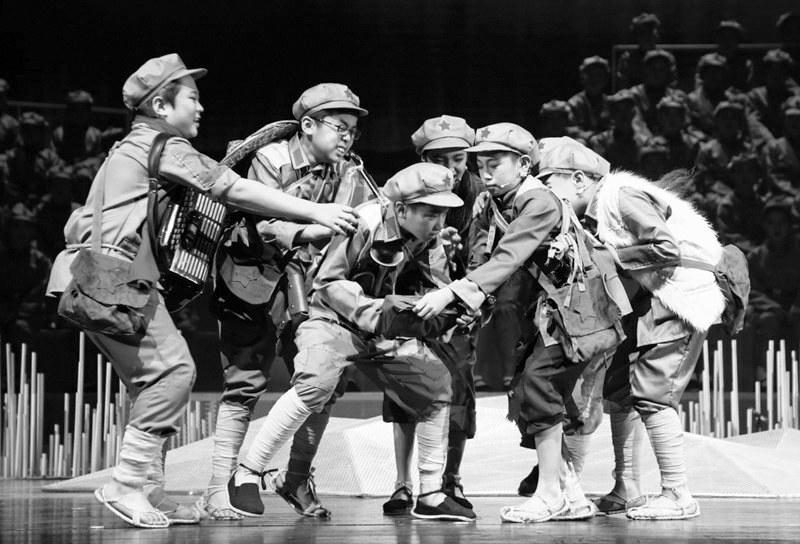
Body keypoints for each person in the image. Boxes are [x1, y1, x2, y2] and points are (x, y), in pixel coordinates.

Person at [45, 53, 359, 530]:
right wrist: (314, 212)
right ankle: (126, 483)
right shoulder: (160, 143)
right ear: (160, 105)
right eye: (191, 98)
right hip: (111, 275)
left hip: (100, 275)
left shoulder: (137, 147)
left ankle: (149, 490)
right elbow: (230, 187)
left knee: (151, 382)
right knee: (174, 371)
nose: (200, 107)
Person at [227, 163, 477, 522]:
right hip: (332, 318)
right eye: (430, 214)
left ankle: (430, 493)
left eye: (442, 214)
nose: (438, 224)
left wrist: (453, 310)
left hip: (382, 326)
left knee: (435, 383)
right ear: (401, 209)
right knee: (316, 384)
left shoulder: (430, 239)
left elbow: (436, 286)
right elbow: (328, 282)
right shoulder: (363, 222)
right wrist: (376, 312)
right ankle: (248, 472)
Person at [413, 133, 612, 523]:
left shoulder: (539, 202)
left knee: (539, 385)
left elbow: (508, 256)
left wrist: (452, 293)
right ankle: (571, 495)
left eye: (495, 164)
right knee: (530, 391)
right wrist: (470, 304)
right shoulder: (494, 202)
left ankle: (550, 494)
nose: (485, 174)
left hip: (576, 313)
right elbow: (482, 257)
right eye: (480, 166)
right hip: (541, 314)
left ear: (523, 165)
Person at [204, 82, 371, 521]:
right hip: (252, 280)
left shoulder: (349, 171)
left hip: (310, 287)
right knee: (244, 383)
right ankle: (219, 488)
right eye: (339, 126)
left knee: (323, 380)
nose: (348, 136)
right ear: (308, 125)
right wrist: (309, 229)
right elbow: (259, 223)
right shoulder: (271, 159)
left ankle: (295, 477)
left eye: (353, 129)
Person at [568, 144, 725, 520]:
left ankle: (678, 493)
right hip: (647, 297)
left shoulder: (618, 195)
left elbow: (664, 248)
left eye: (550, 182)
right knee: (620, 388)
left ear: (578, 179)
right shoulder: (602, 205)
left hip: (676, 296)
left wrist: (611, 257)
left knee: (654, 392)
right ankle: (628, 486)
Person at [381, 115, 482, 516]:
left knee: (458, 397)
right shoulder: (404, 192)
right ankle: (403, 484)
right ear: (423, 159)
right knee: (405, 396)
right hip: (410, 308)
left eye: (459, 159)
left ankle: (449, 480)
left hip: (459, 311)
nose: (451, 168)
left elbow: (488, 260)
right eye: (440, 159)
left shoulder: (480, 197)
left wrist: (469, 296)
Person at [629, 49, 687, 139]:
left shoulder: (678, 96)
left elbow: (686, 124)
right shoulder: (634, 95)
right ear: (645, 70)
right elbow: (635, 124)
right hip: (643, 142)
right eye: (652, 69)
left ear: (668, 72)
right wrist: (651, 142)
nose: (656, 73)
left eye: (661, 69)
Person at [748, 49, 800, 141]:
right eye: (772, 71)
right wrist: (771, 141)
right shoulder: (756, 96)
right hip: (766, 144)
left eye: (780, 71)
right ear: (766, 73)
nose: (776, 76)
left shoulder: (796, 95)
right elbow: (754, 122)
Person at [589, 89, 645, 173]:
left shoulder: (643, 141)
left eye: (627, 109)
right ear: (612, 114)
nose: (623, 115)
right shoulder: (600, 141)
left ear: (633, 112)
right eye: (618, 110)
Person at [763, 95, 800, 200]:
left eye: (798, 119)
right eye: (790, 118)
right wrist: (796, 194)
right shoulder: (774, 147)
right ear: (784, 120)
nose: (795, 123)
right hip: (784, 198)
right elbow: (775, 178)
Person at [568, 56, 611, 143]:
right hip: (584, 144)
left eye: (599, 75)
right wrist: (590, 137)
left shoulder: (611, 103)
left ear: (605, 79)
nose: (594, 79)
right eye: (590, 75)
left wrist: (602, 137)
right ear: (582, 78)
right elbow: (570, 129)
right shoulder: (574, 103)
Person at [616, 13, 662, 90]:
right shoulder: (627, 59)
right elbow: (623, 87)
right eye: (643, 33)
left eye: (651, 32)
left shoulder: (665, 59)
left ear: (656, 35)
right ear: (637, 36)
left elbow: (671, 85)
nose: (648, 37)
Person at [715, 20, 753, 92]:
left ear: (738, 40)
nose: (726, 42)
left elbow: (748, 90)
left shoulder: (746, 64)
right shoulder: (706, 61)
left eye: (731, 38)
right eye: (723, 37)